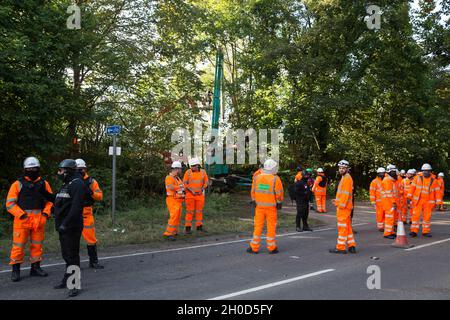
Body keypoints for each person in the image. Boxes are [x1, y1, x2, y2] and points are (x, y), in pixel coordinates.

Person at [5, 157, 53, 282]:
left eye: (34, 168)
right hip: (22, 221)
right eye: (29, 169)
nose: (32, 170)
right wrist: (21, 215)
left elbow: (50, 201)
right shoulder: (17, 184)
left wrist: (45, 215)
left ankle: (35, 268)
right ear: (25, 170)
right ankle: (16, 271)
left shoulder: (44, 184)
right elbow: (10, 204)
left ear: (38, 169)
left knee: (37, 246)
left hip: (39, 221)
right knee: (18, 246)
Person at [52, 159, 87, 297]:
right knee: (66, 255)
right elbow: (60, 201)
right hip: (63, 226)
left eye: (61, 170)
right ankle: (68, 278)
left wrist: (65, 224)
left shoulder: (77, 184)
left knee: (72, 255)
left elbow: (76, 207)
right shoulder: (66, 184)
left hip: (71, 226)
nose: (59, 173)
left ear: (68, 171)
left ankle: (75, 284)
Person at [247, 159, 284, 254]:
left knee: (258, 227)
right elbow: (279, 193)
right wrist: (279, 202)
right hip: (271, 208)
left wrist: (254, 200)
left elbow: (253, 191)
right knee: (271, 227)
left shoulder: (257, 177)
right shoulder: (276, 179)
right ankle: (272, 247)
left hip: (259, 207)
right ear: (273, 168)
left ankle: (254, 247)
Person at [75, 159, 104, 269]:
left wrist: (91, 192)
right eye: (77, 169)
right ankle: (73, 263)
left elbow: (100, 196)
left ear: (85, 169)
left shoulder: (91, 181)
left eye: (81, 169)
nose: (80, 171)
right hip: (74, 213)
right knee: (73, 240)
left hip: (87, 213)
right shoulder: (71, 181)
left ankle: (94, 261)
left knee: (91, 239)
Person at [408, 163, 442, 237]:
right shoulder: (417, 178)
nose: (426, 172)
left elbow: (437, 192)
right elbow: (412, 188)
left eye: (427, 171)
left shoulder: (434, 180)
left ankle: (425, 231)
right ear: (422, 171)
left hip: (428, 202)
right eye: (424, 171)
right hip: (418, 201)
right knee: (415, 216)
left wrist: (439, 202)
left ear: (430, 171)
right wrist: (409, 197)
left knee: (427, 217)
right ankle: (414, 231)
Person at [330, 160, 356, 254]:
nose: (341, 169)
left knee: (342, 227)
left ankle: (340, 247)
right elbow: (343, 195)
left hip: (343, 208)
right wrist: (336, 201)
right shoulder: (345, 177)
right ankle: (351, 245)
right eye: (340, 168)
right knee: (348, 227)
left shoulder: (346, 178)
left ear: (347, 169)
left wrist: (339, 204)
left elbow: (345, 195)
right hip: (345, 207)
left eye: (343, 168)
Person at [183, 157, 209, 233]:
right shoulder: (188, 172)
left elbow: (206, 182)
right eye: (191, 166)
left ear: (198, 165)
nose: (192, 167)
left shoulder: (203, 172)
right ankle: (188, 228)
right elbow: (184, 183)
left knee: (199, 211)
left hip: (200, 195)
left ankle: (199, 227)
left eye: (194, 166)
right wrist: (191, 191)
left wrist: (202, 189)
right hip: (190, 195)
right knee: (189, 212)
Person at [163, 161, 185, 240]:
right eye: (180, 169)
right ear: (176, 169)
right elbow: (171, 187)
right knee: (174, 216)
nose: (181, 170)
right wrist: (180, 188)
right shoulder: (169, 177)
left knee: (177, 217)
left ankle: (174, 232)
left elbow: (181, 186)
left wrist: (182, 189)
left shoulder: (177, 178)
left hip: (178, 200)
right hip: (172, 199)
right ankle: (168, 233)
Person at [381, 165, 400, 239]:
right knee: (389, 218)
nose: (395, 173)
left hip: (390, 202)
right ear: (390, 172)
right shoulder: (387, 180)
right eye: (394, 171)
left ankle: (391, 231)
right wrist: (393, 202)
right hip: (388, 202)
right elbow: (389, 193)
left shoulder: (390, 180)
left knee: (391, 218)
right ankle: (387, 233)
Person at [370, 167, 385, 232]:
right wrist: (373, 201)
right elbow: (372, 192)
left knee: (386, 215)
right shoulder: (374, 182)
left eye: (383, 173)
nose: (382, 174)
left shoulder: (386, 180)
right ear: (378, 174)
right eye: (381, 173)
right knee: (380, 215)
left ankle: (387, 227)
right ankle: (380, 227)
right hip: (379, 202)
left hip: (386, 201)